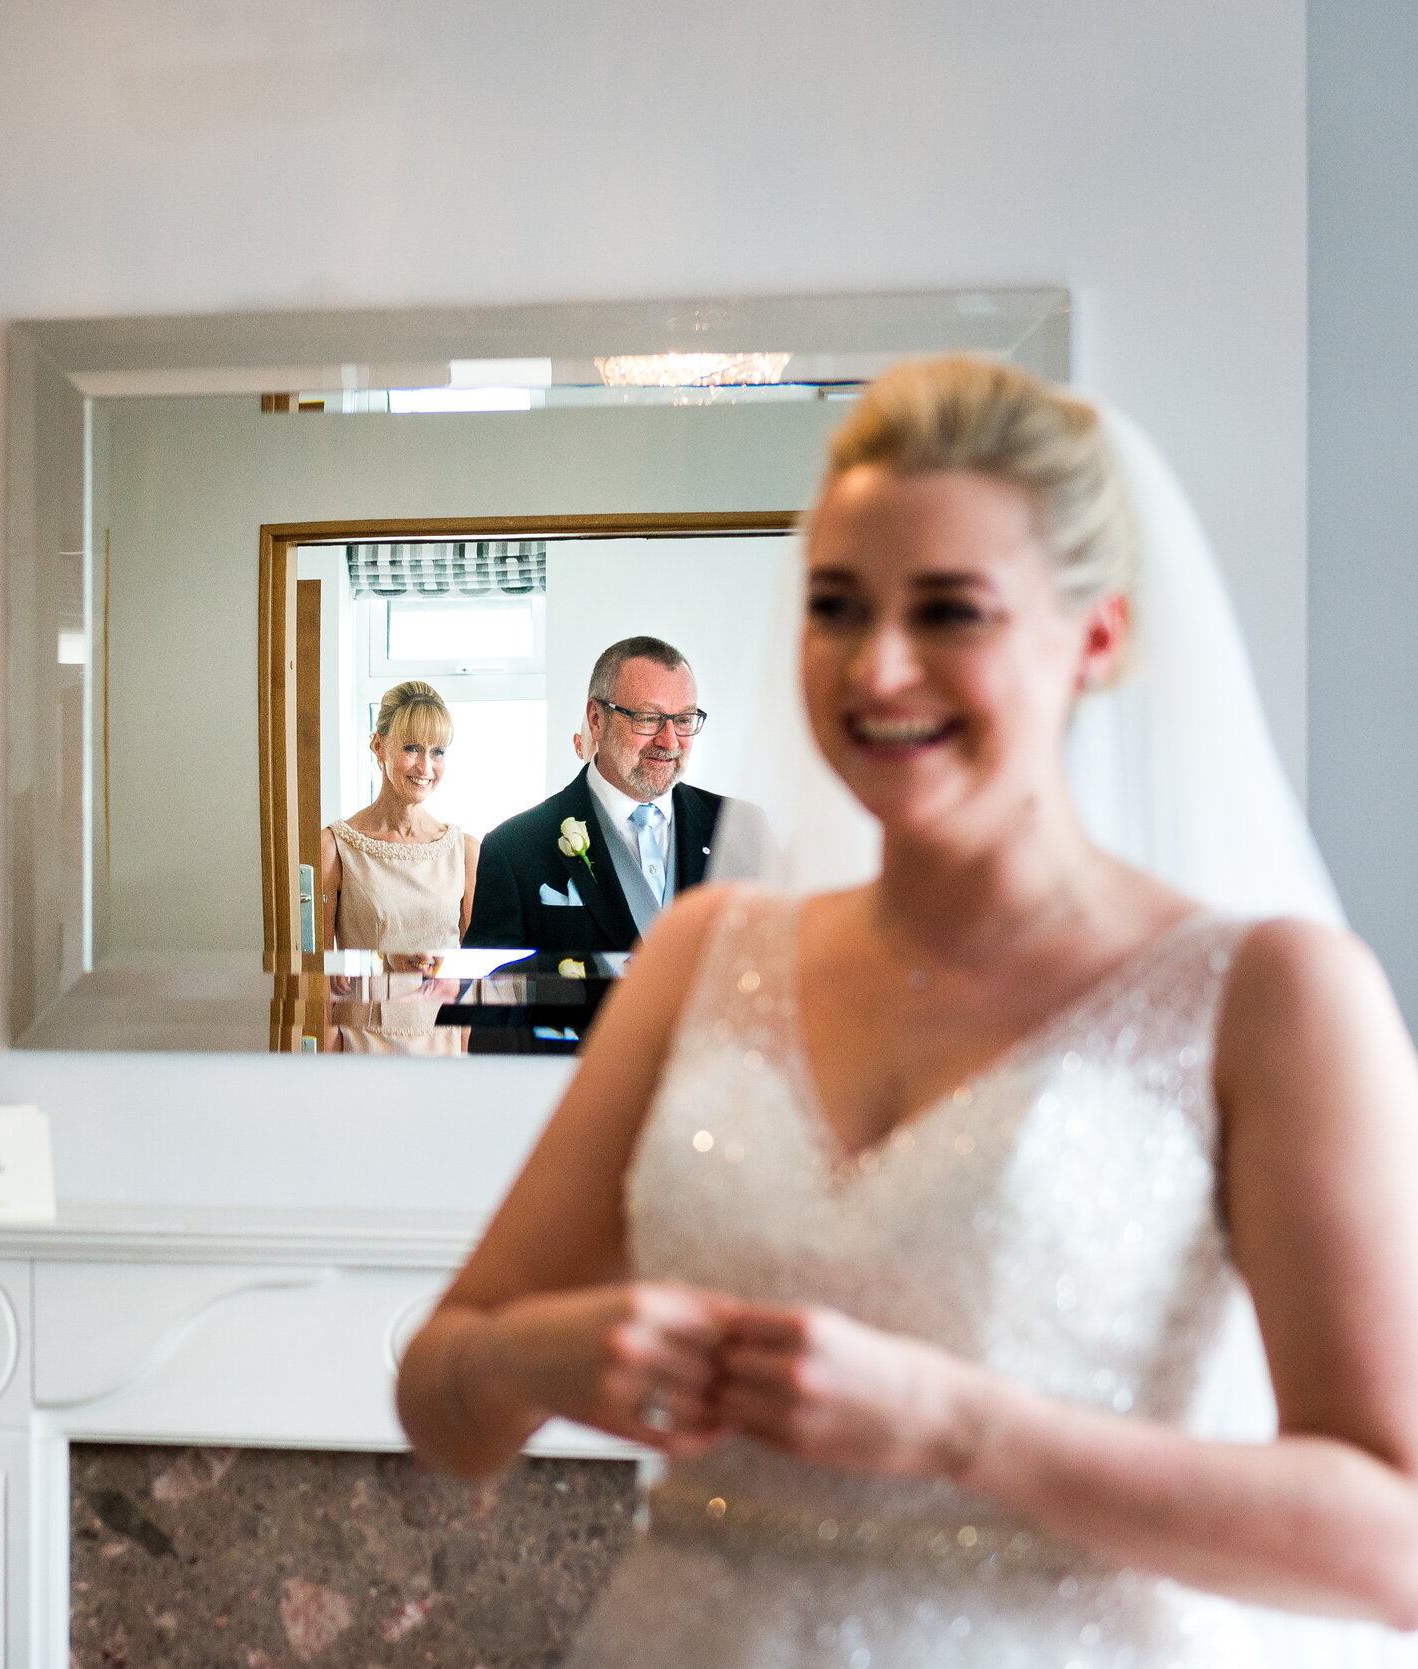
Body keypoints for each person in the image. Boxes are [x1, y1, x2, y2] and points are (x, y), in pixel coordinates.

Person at [396, 357, 1418, 1666]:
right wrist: (546, 1351)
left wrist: (959, 1429)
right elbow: (442, 1403)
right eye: (838, 605)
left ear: (1095, 637)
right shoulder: (708, 952)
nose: (878, 667)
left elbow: (1391, 1543)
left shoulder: (1265, 994)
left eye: (951, 612)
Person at [465, 638, 747, 959]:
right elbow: (488, 998)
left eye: (683, 720)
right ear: (597, 720)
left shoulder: (739, 827)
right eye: (648, 718)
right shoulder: (513, 849)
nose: (670, 741)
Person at [317, 680, 481, 953]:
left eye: (437, 751)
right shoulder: (334, 847)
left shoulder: (465, 852)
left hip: (439, 997)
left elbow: (476, 971)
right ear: (379, 746)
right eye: (412, 748)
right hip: (366, 997)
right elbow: (318, 974)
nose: (425, 767)